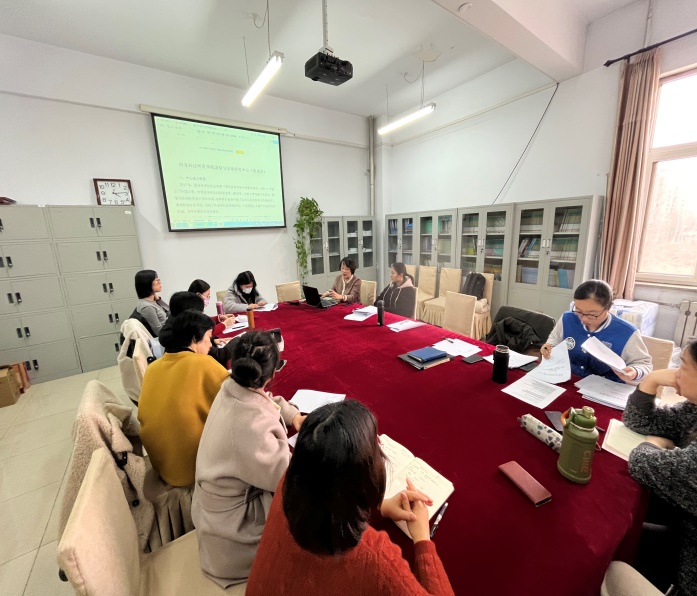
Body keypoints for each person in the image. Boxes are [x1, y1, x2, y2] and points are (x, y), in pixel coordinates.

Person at [246, 400, 454, 595]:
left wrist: (381, 506)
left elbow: (326, 495)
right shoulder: (377, 559)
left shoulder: (290, 484)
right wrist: (422, 539)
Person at [192, 331, 305, 588]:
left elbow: (265, 400)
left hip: (215, 510)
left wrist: (293, 416)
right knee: (310, 512)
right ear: (273, 373)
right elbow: (288, 477)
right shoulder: (252, 426)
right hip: (232, 534)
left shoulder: (230, 388)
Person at [622, 340, 697, 595]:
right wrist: (651, 380)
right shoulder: (694, 408)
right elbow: (639, 421)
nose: (676, 372)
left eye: (682, 366)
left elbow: (642, 463)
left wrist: (654, 444)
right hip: (681, 525)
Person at [138, 310, 229, 487]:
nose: (211, 344)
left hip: (162, 465)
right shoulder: (203, 363)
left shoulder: (152, 368)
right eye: (209, 337)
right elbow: (242, 397)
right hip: (196, 472)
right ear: (195, 339)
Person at [540, 279, 651, 383]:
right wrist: (549, 346)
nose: (584, 319)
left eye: (592, 314)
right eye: (578, 311)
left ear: (608, 307)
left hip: (605, 388)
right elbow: (554, 339)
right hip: (569, 380)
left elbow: (644, 364)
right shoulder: (568, 318)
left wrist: (635, 372)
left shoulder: (627, 332)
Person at [158, 291, 235, 365]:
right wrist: (237, 341)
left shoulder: (173, 324)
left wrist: (212, 340)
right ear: (190, 314)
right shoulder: (186, 336)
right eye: (200, 312)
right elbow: (220, 355)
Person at [133, 269, 170, 337]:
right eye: (156, 279)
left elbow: (170, 313)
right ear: (147, 283)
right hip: (166, 337)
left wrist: (159, 300)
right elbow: (159, 332)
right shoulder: (147, 307)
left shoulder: (153, 301)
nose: (159, 282)